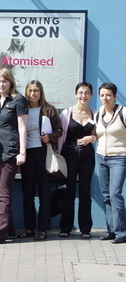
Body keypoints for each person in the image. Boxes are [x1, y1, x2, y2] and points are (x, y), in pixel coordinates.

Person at [0, 68, 28, 245]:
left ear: (10, 82)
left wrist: (22, 152)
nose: (1, 84)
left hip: (10, 151)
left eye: (4, 81)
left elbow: (22, 128)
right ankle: (9, 230)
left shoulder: (18, 100)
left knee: (4, 193)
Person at [18, 80, 62, 241]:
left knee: (44, 195)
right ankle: (29, 228)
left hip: (43, 155)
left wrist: (49, 137)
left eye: (36, 90)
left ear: (41, 92)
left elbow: (59, 130)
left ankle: (43, 229)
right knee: (27, 194)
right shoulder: (22, 109)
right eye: (30, 91)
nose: (33, 94)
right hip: (26, 155)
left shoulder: (48, 110)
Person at [57, 82, 95, 238]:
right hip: (69, 153)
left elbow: (99, 134)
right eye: (80, 92)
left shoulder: (95, 114)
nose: (83, 96)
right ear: (75, 94)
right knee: (68, 191)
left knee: (85, 191)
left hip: (87, 155)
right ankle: (66, 227)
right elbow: (60, 134)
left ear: (91, 95)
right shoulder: (67, 113)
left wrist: (91, 138)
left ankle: (85, 228)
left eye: (86, 93)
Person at [95, 82, 126, 244]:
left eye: (108, 95)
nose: (105, 98)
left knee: (115, 194)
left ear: (115, 96)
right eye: (102, 95)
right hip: (101, 158)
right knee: (106, 195)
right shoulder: (99, 113)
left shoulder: (124, 113)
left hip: (119, 158)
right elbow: (98, 134)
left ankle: (122, 232)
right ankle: (111, 230)